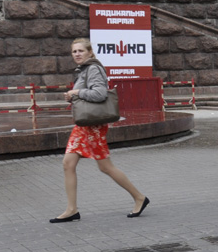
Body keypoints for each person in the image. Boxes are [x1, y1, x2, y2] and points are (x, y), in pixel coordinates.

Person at [50, 37, 150, 223]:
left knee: (104, 166)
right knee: (70, 164)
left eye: (81, 51)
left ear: (90, 52)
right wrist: (72, 96)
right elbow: (87, 94)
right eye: (74, 51)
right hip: (85, 125)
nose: (77, 54)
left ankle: (139, 197)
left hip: (92, 127)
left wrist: (76, 93)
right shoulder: (84, 70)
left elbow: (99, 94)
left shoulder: (94, 68)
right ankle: (72, 209)